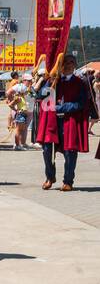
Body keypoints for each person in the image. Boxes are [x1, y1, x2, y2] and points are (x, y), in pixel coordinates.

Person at [36, 54, 96, 191]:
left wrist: (61, 108)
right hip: (52, 122)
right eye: (65, 63)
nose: (67, 65)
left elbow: (81, 103)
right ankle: (50, 177)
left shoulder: (80, 83)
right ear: (60, 65)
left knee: (70, 151)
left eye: (70, 62)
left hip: (70, 122)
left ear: (75, 65)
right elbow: (41, 96)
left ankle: (68, 181)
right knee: (46, 150)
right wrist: (48, 82)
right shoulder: (53, 81)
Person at [5, 73, 31, 150]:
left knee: (21, 130)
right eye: (25, 91)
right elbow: (10, 105)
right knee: (18, 131)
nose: (26, 92)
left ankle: (18, 144)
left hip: (23, 114)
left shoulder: (22, 97)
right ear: (21, 91)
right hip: (21, 114)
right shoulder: (18, 98)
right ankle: (17, 145)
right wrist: (17, 110)